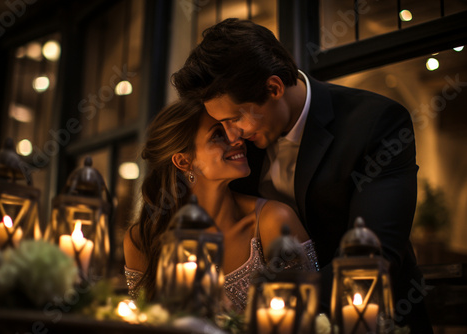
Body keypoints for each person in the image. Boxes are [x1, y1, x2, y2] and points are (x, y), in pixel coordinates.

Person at [171, 18, 433, 333]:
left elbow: (375, 258)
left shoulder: (376, 124)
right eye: (222, 124)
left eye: (236, 118)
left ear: (274, 87)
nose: (232, 136)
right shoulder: (240, 150)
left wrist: (260, 309)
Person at [123, 101, 318, 312]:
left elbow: (309, 317)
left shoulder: (273, 221)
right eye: (218, 135)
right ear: (183, 161)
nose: (236, 140)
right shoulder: (142, 239)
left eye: (232, 131)